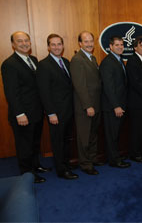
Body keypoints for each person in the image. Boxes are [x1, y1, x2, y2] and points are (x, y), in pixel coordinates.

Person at [1, 31, 49, 183]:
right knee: (24, 145)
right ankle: (27, 174)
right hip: (23, 114)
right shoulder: (9, 64)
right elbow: (11, 92)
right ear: (13, 44)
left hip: (36, 111)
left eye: (26, 40)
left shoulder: (33, 59)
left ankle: (35, 166)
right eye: (19, 41)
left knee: (34, 143)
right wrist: (20, 113)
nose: (24, 43)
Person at [36, 34, 79, 180]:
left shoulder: (66, 62)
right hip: (56, 113)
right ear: (48, 47)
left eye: (59, 44)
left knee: (67, 140)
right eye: (53, 45)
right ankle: (62, 170)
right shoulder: (43, 65)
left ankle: (66, 164)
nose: (56, 47)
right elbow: (44, 92)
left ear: (63, 46)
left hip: (68, 110)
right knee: (58, 141)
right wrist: (51, 113)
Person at [70, 31, 102, 175]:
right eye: (86, 41)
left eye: (91, 41)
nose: (89, 44)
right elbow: (80, 85)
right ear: (80, 44)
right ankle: (85, 164)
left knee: (93, 135)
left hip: (96, 104)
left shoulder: (92, 58)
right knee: (84, 136)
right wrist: (88, 105)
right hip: (86, 106)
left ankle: (92, 158)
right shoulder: (77, 59)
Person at [100, 36, 131, 168]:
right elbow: (108, 87)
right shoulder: (108, 62)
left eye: (121, 45)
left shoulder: (118, 60)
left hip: (119, 105)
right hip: (112, 107)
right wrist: (116, 106)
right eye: (116, 45)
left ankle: (115, 156)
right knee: (112, 135)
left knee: (116, 134)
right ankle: (114, 160)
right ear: (110, 47)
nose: (120, 47)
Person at [126, 36, 142, 163]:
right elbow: (134, 81)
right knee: (136, 129)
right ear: (135, 47)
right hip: (136, 102)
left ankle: (140, 151)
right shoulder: (132, 60)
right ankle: (135, 154)